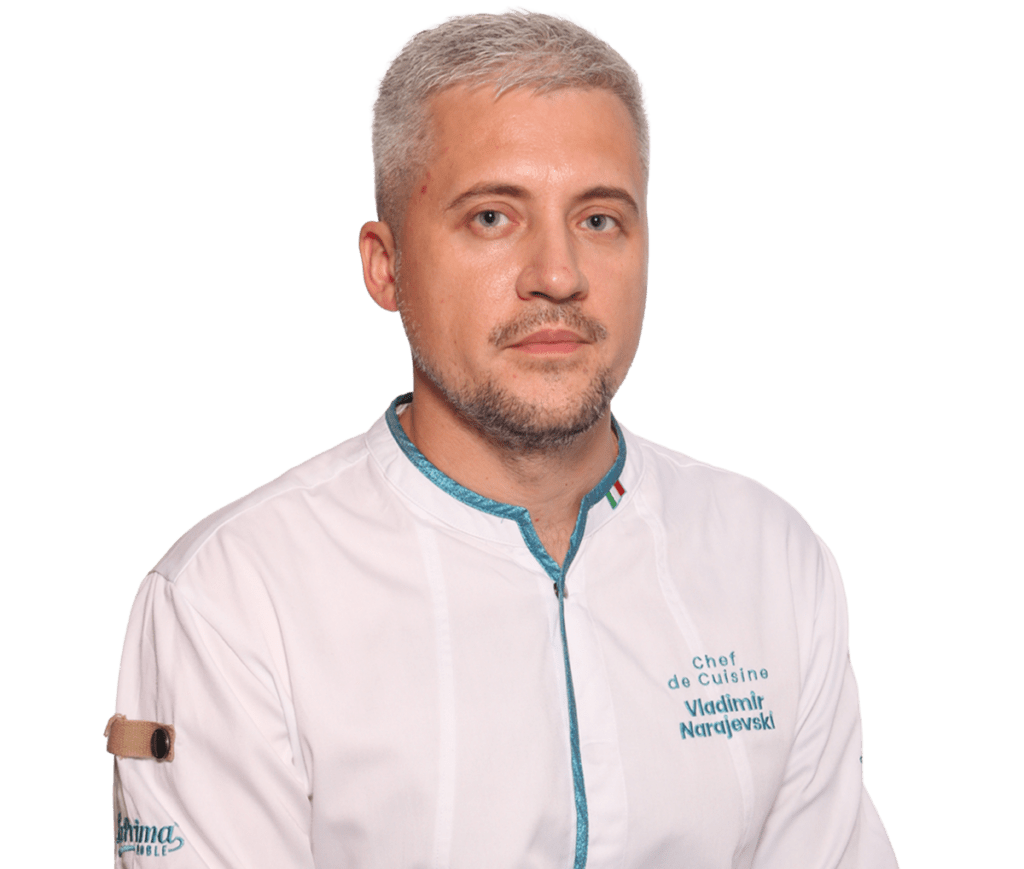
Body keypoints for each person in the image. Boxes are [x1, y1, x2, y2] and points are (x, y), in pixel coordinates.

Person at [107, 8, 899, 868]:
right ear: (385, 265)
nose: (558, 275)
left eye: (599, 219)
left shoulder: (773, 558)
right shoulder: (232, 599)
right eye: (492, 217)